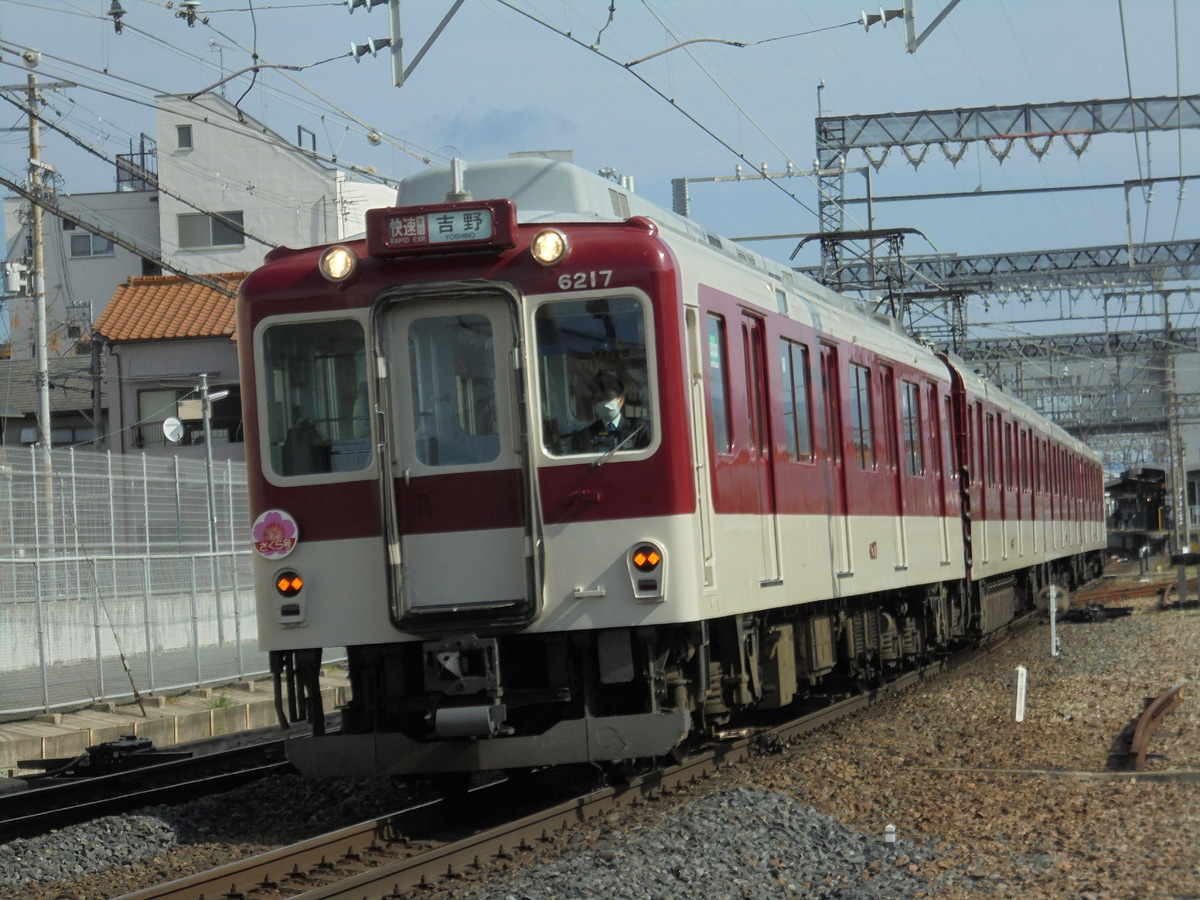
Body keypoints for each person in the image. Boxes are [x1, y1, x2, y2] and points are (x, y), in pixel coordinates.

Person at [570, 378, 649, 453]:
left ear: (620, 401)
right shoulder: (584, 436)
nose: (603, 403)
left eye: (608, 398)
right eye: (598, 399)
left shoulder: (638, 429)